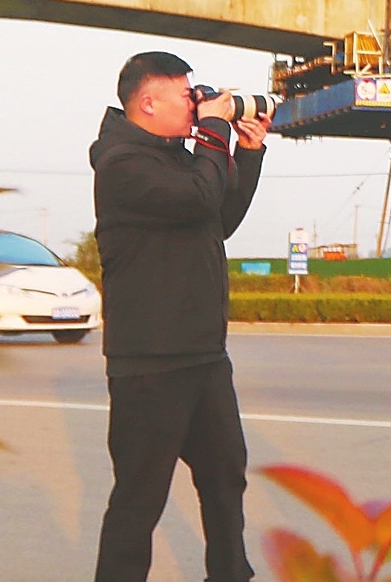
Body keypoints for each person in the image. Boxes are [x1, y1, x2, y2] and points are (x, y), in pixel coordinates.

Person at [90, 51, 269, 582]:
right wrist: (214, 129)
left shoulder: (177, 157)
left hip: (203, 356)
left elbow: (217, 217)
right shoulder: (120, 163)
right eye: (187, 95)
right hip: (149, 364)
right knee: (139, 499)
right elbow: (198, 198)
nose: (196, 104)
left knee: (225, 482)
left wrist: (248, 153)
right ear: (148, 102)